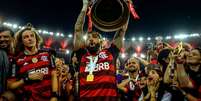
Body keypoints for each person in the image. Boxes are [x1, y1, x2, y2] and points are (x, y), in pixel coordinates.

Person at [73, 0, 128, 100]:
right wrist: (85, 6)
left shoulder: (110, 53)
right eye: (88, 37)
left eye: (94, 37)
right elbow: (77, 30)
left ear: (101, 41)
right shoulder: (82, 55)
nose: (90, 39)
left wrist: (126, 7)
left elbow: (121, 31)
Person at [8, 24, 58, 101]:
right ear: (21, 41)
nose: (30, 38)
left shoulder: (48, 54)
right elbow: (11, 86)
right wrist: (27, 79)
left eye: (32, 36)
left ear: (36, 38)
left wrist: (54, 96)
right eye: (26, 37)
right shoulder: (17, 60)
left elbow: (54, 75)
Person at [0, 26, 15, 100]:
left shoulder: (19, 55)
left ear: (12, 38)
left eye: (6, 37)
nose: (2, 39)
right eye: (0, 37)